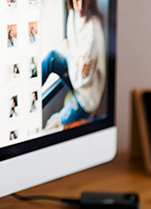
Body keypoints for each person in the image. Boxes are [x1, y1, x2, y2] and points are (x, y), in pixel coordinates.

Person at [41, 0, 106, 128]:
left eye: (84, 1)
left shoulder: (92, 33)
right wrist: (75, 58)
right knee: (52, 58)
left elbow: (82, 80)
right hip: (75, 73)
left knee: (52, 126)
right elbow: (73, 53)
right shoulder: (73, 15)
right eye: (76, 0)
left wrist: (69, 53)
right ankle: (29, 95)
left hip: (86, 96)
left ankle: (84, 115)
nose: (80, 6)